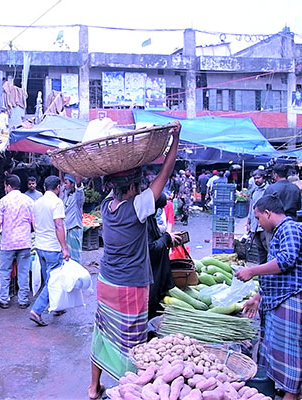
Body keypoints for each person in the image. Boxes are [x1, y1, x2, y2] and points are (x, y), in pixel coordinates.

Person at [89, 124, 180, 400]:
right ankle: (128, 393)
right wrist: (175, 140)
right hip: (130, 287)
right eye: (138, 184)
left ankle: (94, 388)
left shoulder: (107, 206)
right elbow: (165, 173)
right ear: (132, 187)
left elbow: (113, 183)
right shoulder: (138, 208)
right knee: (132, 342)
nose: (142, 187)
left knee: (102, 333)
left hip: (106, 282)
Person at [235, 195, 302, 400]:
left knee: (288, 350)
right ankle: (292, 390)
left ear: (268, 213)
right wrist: (259, 297)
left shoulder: (290, 229)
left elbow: (285, 262)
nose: (259, 223)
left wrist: (253, 272)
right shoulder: (279, 232)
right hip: (277, 297)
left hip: (291, 298)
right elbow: (278, 273)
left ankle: (292, 394)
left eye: (259, 218)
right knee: (274, 348)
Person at [0, 175, 35, 309]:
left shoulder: (3, 201)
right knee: (23, 271)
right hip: (24, 242)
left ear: (8, 186)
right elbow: (34, 223)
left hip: (8, 243)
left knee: (5, 271)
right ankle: (23, 300)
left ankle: (4, 299)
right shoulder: (29, 201)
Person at [30, 175, 70, 327]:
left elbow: (36, 224)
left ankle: (57, 307)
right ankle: (37, 310)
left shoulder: (38, 202)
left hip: (40, 246)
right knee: (53, 280)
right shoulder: (56, 202)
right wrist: (64, 248)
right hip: (53, 247)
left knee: (49, 278)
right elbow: (59, 225)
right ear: (58, 187)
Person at [146, 193, 181, 320]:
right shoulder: (145, 222)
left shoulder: (151, 219)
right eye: (159, 207)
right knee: (151, 299)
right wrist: (166, 237)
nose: (160, 211)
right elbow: (152, 248)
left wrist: (168, 238)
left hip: (156, 269)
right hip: (150, 270)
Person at [60, 174, 85, 263]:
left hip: (74, 227)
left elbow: (80, 192)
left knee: (75, 255)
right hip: (65, 228)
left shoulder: (77, 197)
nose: (65, 185)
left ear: (72, 184)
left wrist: (78, 183)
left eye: (66, 183)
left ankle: (77, 273)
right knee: (66, 255)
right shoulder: (65, 195)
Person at [246, 169, 269, 264]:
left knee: (266, 246)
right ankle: (262, 267)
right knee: (259, 248)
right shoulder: (255, 191)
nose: (256, 180)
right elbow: (252, 208)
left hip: (264, 225)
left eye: (258, 178)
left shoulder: (268, 190)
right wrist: (248, 222)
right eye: (255, 178)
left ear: (264, 178)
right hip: (254, 225)